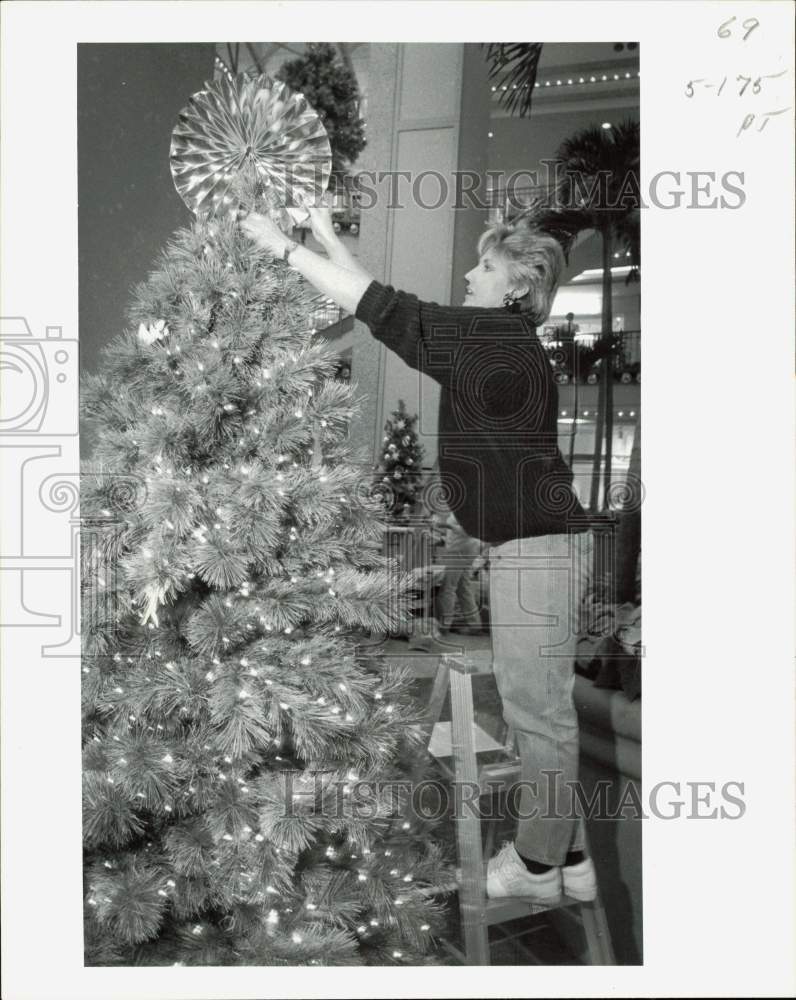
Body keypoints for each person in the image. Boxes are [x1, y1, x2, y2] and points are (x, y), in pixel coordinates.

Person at [241, 199, 596, 906]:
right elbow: (384, 309)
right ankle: (573, 859)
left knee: (538, 715)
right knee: (538, 710)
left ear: (517, 286)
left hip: (539, 551)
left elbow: (380, 306)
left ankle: (534, 868)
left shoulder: (493, 335)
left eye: (485, 266)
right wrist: (324, 236)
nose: (469, 273)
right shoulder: (496, 338)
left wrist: (282, 246)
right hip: (533, 547)